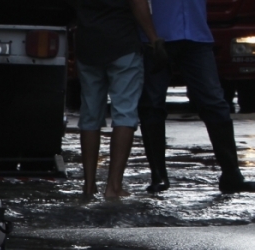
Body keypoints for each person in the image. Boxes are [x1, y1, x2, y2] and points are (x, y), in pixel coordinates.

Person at [139, 0, 255, 193]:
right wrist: (151, 36)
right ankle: (158, 175)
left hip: (196, 34)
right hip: (157, 36)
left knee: (215, 103)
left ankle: (231, 174)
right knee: (152, 104)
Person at [73, 0, 161, 198]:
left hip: (88, 45)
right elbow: (138, 4)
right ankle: (113, 186)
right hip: (122, 44)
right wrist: (153, 38)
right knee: (124, 113)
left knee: (90, 116)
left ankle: (88, 186)